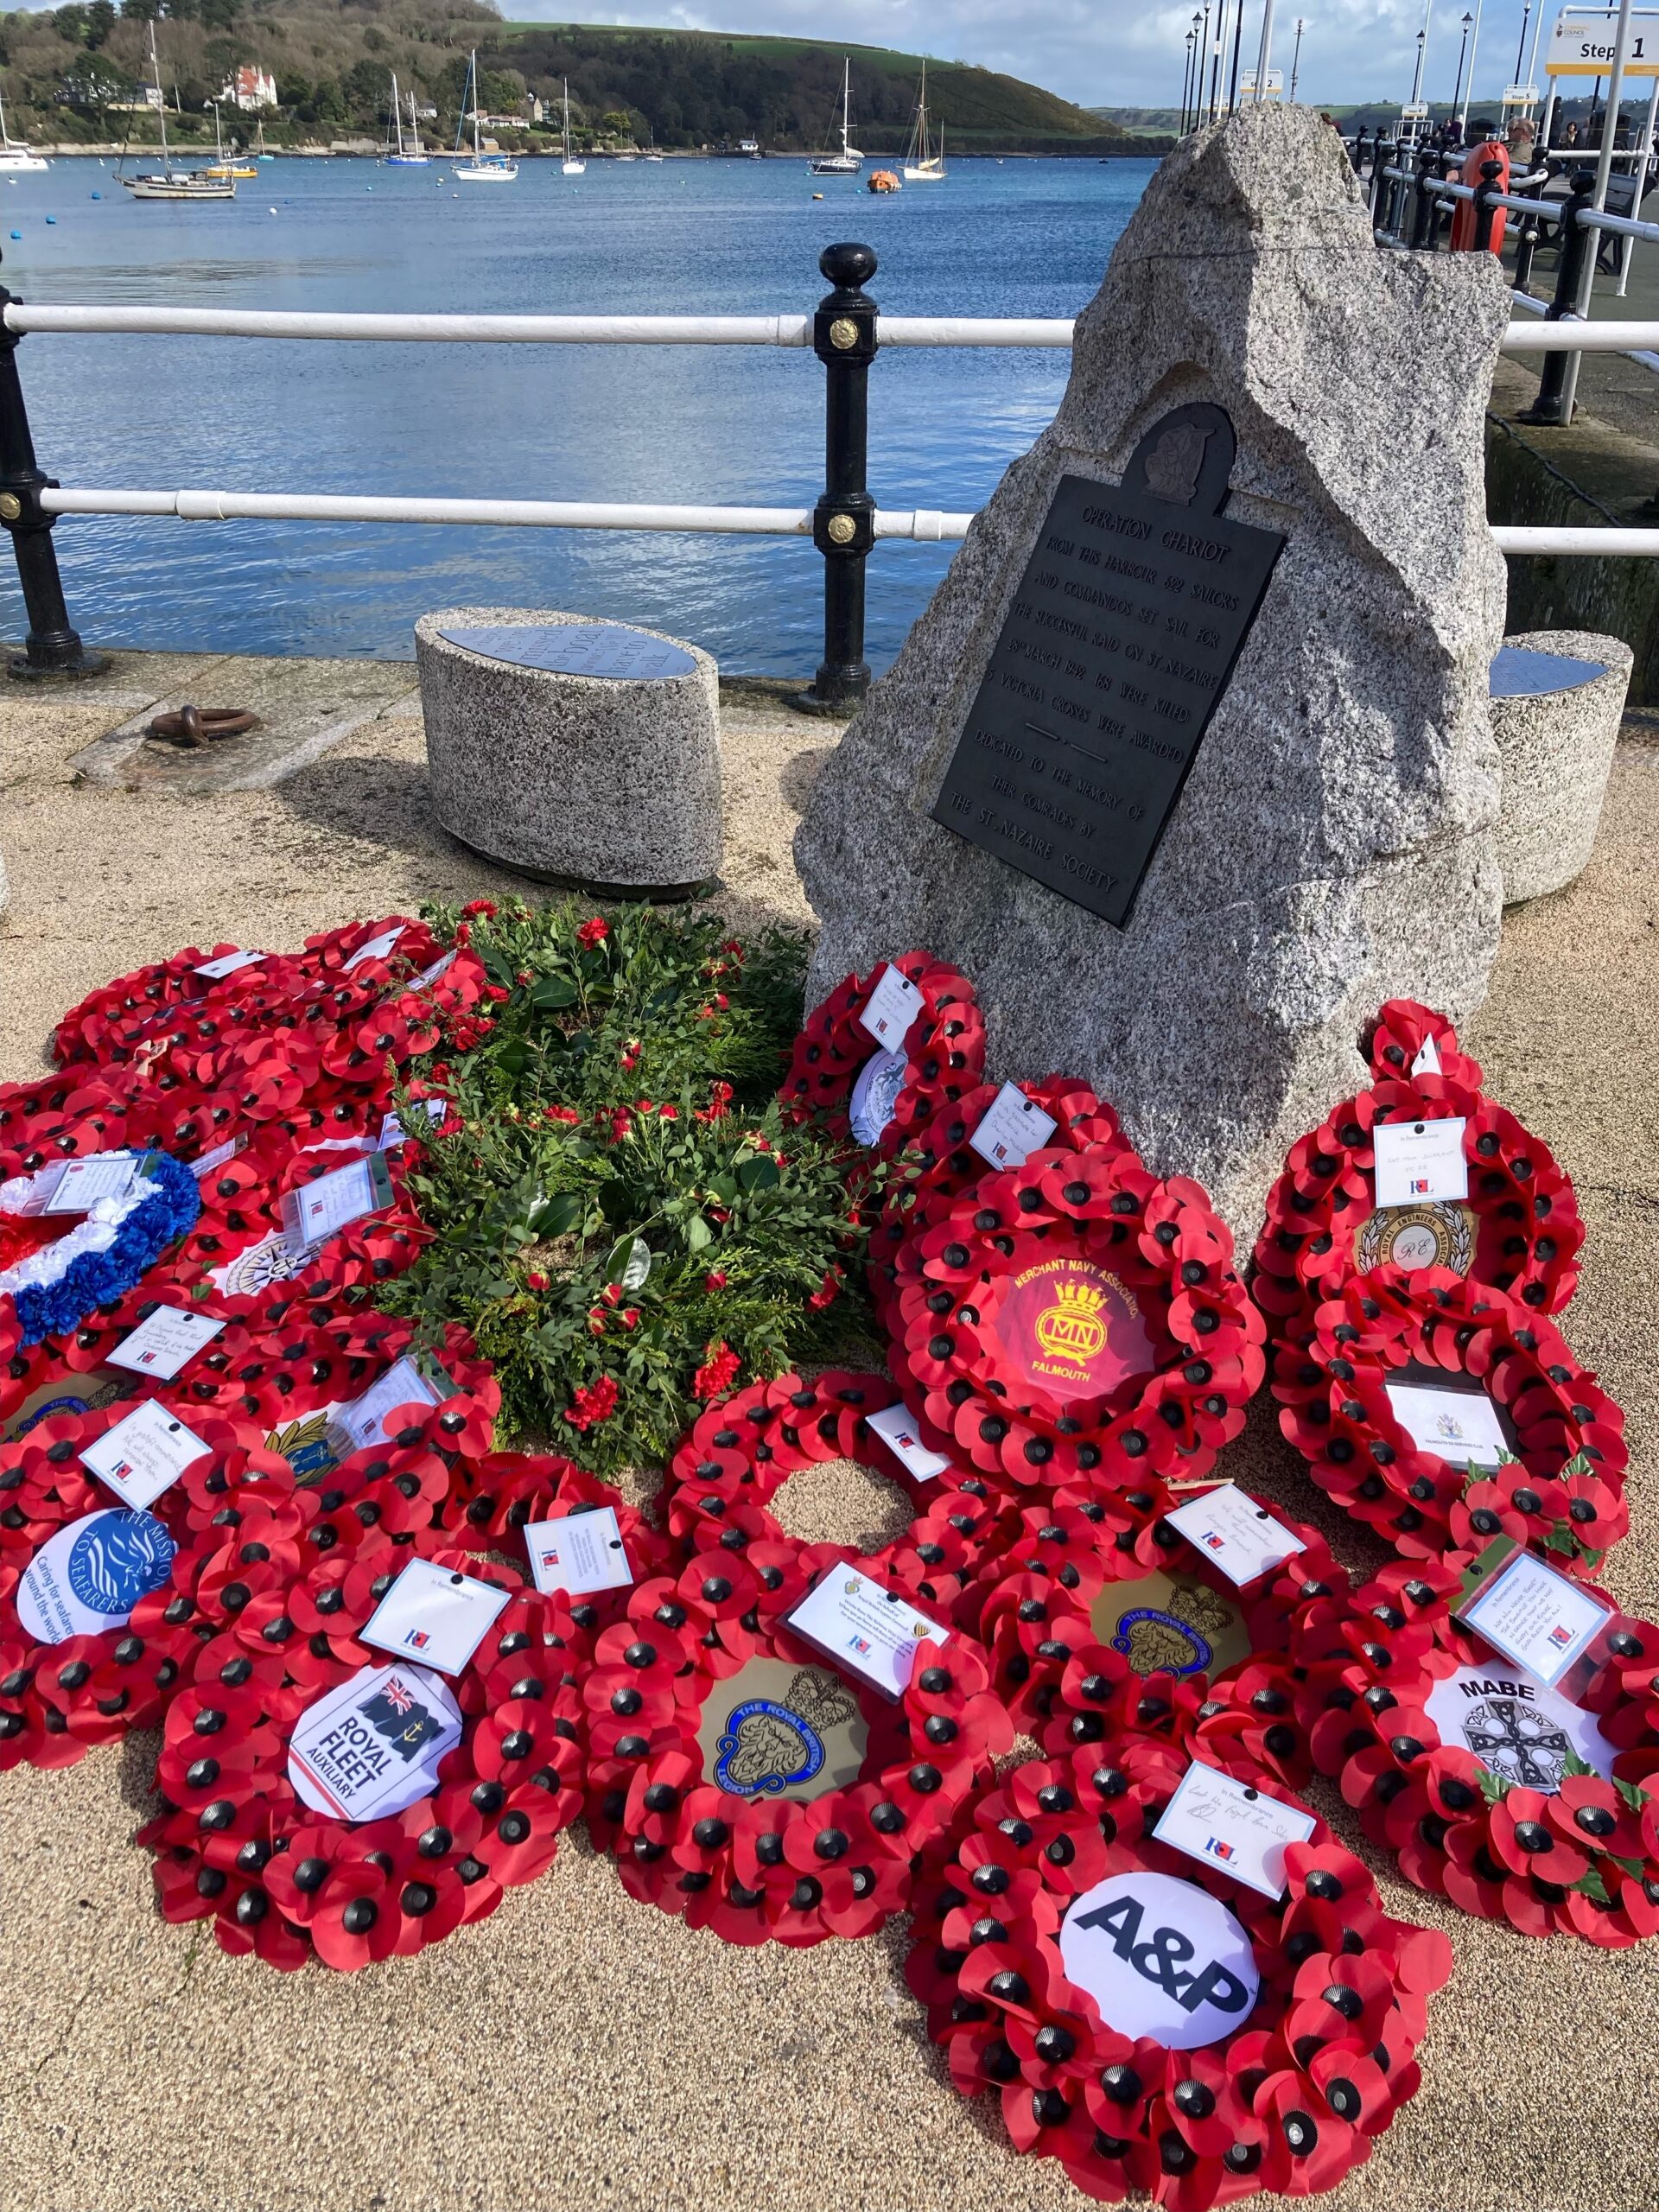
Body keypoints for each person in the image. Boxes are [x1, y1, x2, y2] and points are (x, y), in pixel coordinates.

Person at [1450, 118, 1510, 249]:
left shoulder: (1508, 150)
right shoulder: (1503, 147)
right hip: (1478, 185)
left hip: (1485, 185)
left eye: (1513, 129)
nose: (1510, 131)